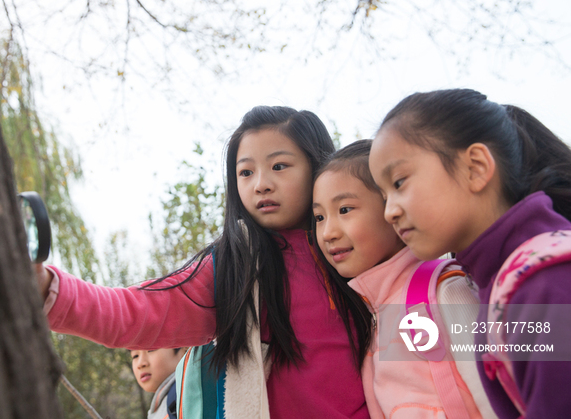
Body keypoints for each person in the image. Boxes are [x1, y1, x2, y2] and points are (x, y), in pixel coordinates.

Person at [35, 106, 372, 418]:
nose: (261, 184)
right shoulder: (236, 268)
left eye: (279, 166)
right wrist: (49, 291)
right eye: (245, 172)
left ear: (317, 164)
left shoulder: (367, 247)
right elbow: (140, 310)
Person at [368, 88, 571, 418]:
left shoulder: (545, 284)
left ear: (476, 167)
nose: (389, 211)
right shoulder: (502, 282)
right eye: (383, 194)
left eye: (400, 182)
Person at [313, 139, 493, 419]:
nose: (327, 232)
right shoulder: (374, 312)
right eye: (319, 217)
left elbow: (493, 395)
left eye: (344, 210)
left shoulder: (445, 288)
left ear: (392, 208)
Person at [131, 348, 186, 419]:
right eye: (135, 356)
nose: (140, 364)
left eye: (151, 350)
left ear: (184, 351)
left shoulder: (183, 396)